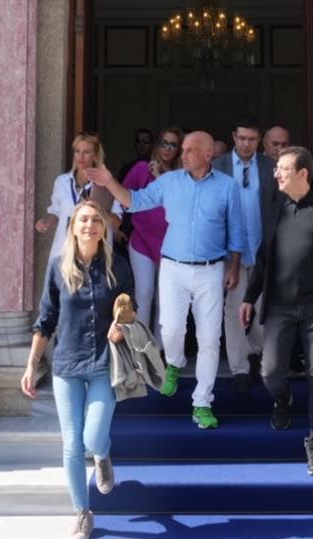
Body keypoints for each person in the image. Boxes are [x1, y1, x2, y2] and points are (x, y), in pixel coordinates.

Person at [89, 131, 243, 430]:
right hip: (173, 267)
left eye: (189, 150)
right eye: (182, 149)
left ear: (208, 154)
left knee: (210, 338)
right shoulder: (170, 182)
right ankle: (174, 362)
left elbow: (235, 230)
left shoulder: (227, 187)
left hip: (211, 270)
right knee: (170, 329)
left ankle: (202, 402)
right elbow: (134, 201)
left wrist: (234, 267)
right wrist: (109, 182)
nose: (182, 155)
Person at [21, 200, 134, 539]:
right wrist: (31, 364)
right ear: (72, 227)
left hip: (103, 364)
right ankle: (83, 513)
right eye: (83, 220)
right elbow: (46, 319)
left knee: (92, 438)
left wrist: (121, 327)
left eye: (96, 220)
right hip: (66, 365)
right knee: (71, 445)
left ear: (103, 228)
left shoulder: (119, 268)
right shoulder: (57, 267)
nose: (90, 225)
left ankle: (103, 454)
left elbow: (130, 311)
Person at [241, 146, 313, 476]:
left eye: (283, 169)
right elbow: (264, 258)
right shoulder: (275, 206)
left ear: (303, 173)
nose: (276, 174)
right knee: (270, 371)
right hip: (279, 304)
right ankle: (282, 398)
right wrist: (250, 297)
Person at [213, 115, 276, 393]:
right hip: (231, 254)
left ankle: (255, 349)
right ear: (233, 137)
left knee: (264, 309)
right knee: (232, 310)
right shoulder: (218, 167)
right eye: (242, 138)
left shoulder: (271, 167)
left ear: (259, 140)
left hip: (263, 249)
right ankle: (239, 367)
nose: (247, 144)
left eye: (252, 139)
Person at [113, 126, 184, 347]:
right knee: (144, 295)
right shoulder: (141, 169)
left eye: (173, 145)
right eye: (164, 142)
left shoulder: (182, 175)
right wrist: (115, 226)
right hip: (142, 241)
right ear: (157, 144)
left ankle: (160, 351)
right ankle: (140, 349)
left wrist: (161, 177)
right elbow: (121, 197)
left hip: (171, 245)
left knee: (166, 299)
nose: (167, 149)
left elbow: (183, 205)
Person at [36, 133, 115, 262]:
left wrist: (96, 210)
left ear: (95, 156)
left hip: (94, 254)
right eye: (77, 151)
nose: (81, 156)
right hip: (64, 252)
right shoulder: (62, 181)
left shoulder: (106, 184)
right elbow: (55, 211)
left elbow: (117, 222)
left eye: (86, 152)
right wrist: (46, 222)